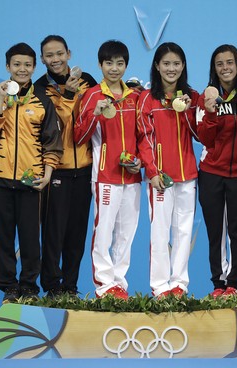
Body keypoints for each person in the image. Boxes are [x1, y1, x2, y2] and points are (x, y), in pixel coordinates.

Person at [0, 42, 63, 304]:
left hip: (31, 180)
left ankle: (28, 286)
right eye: (16, 64)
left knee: (29, 238)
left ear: (34, 67)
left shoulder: (41, 99)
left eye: (27, 65)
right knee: (2, 237)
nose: (22, 69)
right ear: (7, 67)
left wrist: (47, 174)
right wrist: (2, 101)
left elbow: (52, 141)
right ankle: (8, 287)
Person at [74, 40, 142, 300]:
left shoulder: (135, 97)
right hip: (105, 176)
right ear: (100, 65)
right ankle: (104, 284)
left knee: (127, 233)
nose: (114, 68)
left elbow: (143, 135)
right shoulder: (92, 95)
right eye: (109, 63)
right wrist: (95, 115)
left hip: (132, 175)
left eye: (120, 63)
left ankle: (119, 284)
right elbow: (78, 136)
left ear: (126, 65)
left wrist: (141, 163)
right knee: (104, 230)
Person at [34, 35, 98, 298]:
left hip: (84, 169)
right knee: (53, 233)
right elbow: (53, 125)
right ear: (42, 60)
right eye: (49, 55)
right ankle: (52, 287)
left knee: (76, 233)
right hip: (55, 170)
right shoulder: (39, 88)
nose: (55, 59)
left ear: (69, 53)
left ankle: (70, 287)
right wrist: (69, 94)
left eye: (60, 53)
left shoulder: (88, 81)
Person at [137, 42, 199, 298]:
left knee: (184, 231)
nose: (171, 69)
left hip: (188, 176)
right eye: (166, 63)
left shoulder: (191, 97)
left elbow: (200, 133)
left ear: (183, 66)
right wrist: (152, 171)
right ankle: (160, 286)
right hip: (161, 177)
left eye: (176, 64)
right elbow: (143, 137)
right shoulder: (147, 99)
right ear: (157, 66)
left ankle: (179, 284)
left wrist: (188, 110)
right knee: (160, 231)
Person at [196, 44, 237, 299]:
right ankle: (219, 285)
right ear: (214, 68)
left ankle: (234, 284)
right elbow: (204, 138)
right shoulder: (206, 97)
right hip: (211, 172)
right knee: (216, 232)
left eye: (230, 62)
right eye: (220, 64)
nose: (225, 68)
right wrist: (210, 112)